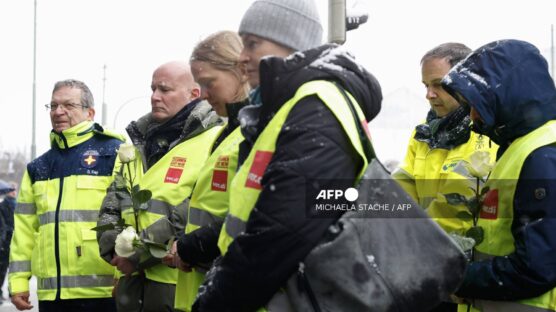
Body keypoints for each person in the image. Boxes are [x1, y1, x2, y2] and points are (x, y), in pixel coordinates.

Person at [192, 0, 382, 311]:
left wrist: (217, 301)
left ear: (293, 41)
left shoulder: (316, 106)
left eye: (252, 43)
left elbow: (281, 231)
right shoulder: (295, 105)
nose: (242, 57)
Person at [97, 61, 223, 312]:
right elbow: (115, 194)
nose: (155, 97)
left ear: (193, 94)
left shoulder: (215, 138)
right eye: (153, 89)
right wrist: (111, 244)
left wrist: (138, 254)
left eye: (165, 90)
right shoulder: (138, 142)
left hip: (173, 281)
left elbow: (196, 206)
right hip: (130, 283)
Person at [442, 39, 556, 311]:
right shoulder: (521, 146)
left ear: (507, 96)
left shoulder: (542, 156)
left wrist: (455, 277)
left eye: (479, 103)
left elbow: (537, 268)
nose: (472, 116)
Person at [8, 79, 124, 311]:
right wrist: (18, 281)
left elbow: (130, 217)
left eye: (68, 105)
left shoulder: (114, 154)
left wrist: (126, 272)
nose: (58, 112)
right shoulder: (38, 167)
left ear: (90, 112)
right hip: (53, 296)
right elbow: (24, 231)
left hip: (105, 291)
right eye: (53, 106)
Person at [162, 30, 250, 312]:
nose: (206, 95)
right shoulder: (227, 132)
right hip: (200, 286)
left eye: (210, 83)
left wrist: (193, 247)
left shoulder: (254, 134)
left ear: (240, 70)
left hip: (227, 286)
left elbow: (254, 216)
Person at [393, 43, 498, 235]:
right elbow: (400, 188)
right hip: (428, 248)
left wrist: (415, 235)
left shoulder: (485, 132)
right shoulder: (423, 135)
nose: (429, 95)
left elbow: (458, 205)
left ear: (466, 82)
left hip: (466, 252)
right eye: (426, 85)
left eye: (439, 84)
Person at [0, 182, 17, 304]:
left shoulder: (4, 204)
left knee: (5, 268)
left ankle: (10, 291)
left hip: (6, 241)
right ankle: (12, 291)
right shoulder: (11, 204)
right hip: (9, 241)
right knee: (10, 268)